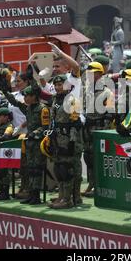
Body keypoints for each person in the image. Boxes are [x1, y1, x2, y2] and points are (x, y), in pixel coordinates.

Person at [4, 83, 50, 205]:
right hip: (29, 143)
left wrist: (35, 133)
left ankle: (37, 196)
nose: (25, 98)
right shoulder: (28, 108)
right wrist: (5, 91)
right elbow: (15, 103)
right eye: (24, 96)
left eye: (28, 96)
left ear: (35, 96)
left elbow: (45, 127)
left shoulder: (43, 109)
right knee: (30, 169)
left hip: (38, 143)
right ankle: (31, 194)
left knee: (37, 169)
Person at [0, 70, 29, 198]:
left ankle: (26, 188)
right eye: (16, 81)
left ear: (27, 82)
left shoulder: (28, 96)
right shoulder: (15, 95)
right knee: (14, 164)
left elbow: (32, 115)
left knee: (25, 163)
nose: (17, 83)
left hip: (25, 132)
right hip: (13, 133)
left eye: (19, 81)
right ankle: (21, 188)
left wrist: (21, 127)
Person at [44, 74, 83, 209]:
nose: (57, 87)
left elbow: (75, 123)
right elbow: (52, 119)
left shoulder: (72, 100)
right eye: (56, 85)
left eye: (60, 84)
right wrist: (50, 135)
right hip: (56, 138)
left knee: (67, 169)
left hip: (68, 139)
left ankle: (69, 198)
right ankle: (61, 195)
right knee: (58, 169)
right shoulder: (55, 99)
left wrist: (71, 143)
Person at [82, 62, 115, 197]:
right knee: (88, 157)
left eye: (93, 73)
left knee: (99, 159)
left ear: (100, 74)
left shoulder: (107, 92)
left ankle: (100, 185)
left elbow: (110, 113)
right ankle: (91, 183)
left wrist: (103, 132)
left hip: (100, 127)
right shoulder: (87, 90)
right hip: (87, 127)